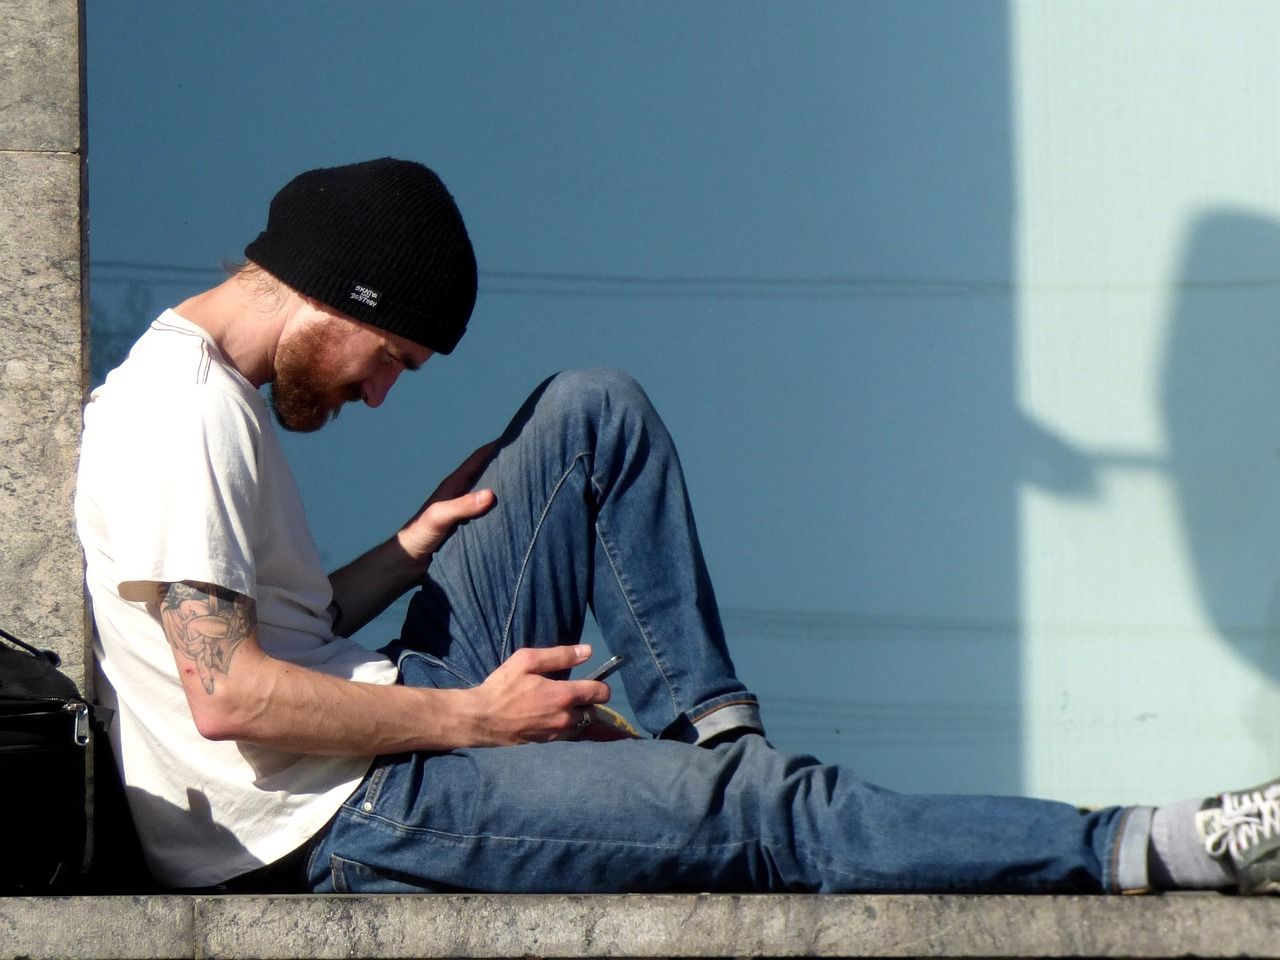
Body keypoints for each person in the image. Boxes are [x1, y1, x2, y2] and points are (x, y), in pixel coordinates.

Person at [76, 157, 1279, 897]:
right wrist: (476, 719)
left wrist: (410, 546)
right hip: (340, 818)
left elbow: (280, 629)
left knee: (586, 413)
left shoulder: (213, 397)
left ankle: (714, 733)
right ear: (332, 293)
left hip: (371, 727)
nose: (379, 391)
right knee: (775, 819)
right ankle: (1141, 846)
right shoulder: (176, 416)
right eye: (386, 356)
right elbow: (227, 693)